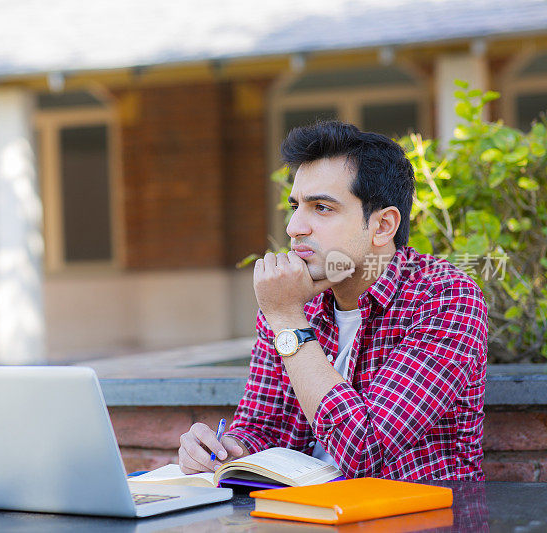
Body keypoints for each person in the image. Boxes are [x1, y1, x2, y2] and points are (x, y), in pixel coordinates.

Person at [178, 121, 487, 480]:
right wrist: (223, 450)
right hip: (302, 513)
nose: (294, 227)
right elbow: (263, 425)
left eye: (321, 207)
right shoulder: (294, 301)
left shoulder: (445, 297)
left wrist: (288, 319)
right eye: (296, 206)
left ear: (383, 226)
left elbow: (365, 452)